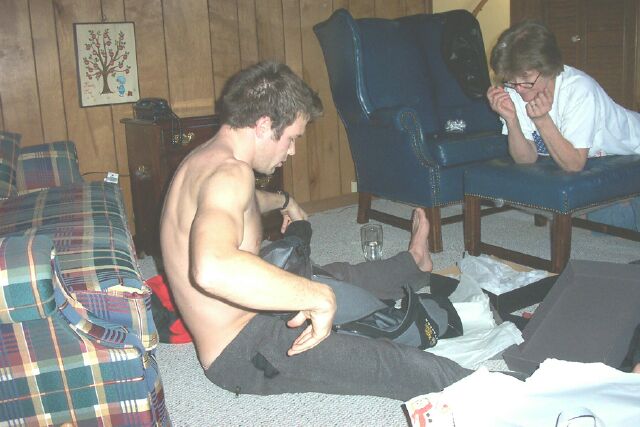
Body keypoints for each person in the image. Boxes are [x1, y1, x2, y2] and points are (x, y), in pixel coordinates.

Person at [159, 61, 470, 401]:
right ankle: (503, 388)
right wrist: (317, 298)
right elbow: (211, 269)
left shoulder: (207, 159)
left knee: (337, 275)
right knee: (386, 363)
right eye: (291, 138)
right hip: (244, 349)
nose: (292, 150)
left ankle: (414, 262)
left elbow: (243, 201)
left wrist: (284, 200)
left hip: (252, 313)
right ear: (263, 125)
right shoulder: (230, 174)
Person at [486, 20, 640, 173]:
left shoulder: (579, 89)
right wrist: (511, 121)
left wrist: (542, 120)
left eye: (526, 79)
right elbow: (526, 159)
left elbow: (574, 165)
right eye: (511, 80)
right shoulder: (514, 88)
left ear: (549, 68)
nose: (519, 88)